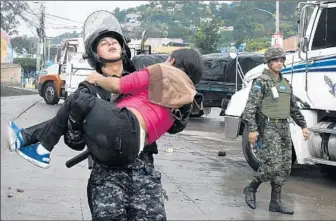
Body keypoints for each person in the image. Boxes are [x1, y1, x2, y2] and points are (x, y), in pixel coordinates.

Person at [8, 11, 204, 220]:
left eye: (114, 41)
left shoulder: (143, 71)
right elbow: (75, 141)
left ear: (123, 47)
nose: (110, 44)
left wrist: (181, 106)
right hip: (106, 177)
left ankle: (31, 139)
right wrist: (75, 122)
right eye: (103, 43)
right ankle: (31, 140)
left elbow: (175, 125)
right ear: (95, 55)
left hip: (144, 174)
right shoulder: (89, 90)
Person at [242, 47, 310, 215]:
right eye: (276, 61)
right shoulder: (261, 82)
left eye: (281, 60)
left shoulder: (285, 83)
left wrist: (303, 125)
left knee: (285, 166)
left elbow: (293, 108)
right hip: (270, 126)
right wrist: (252, 130)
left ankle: (275, 202)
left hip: (284, 127)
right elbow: (250, 109)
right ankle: (251, 188)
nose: (279, 63)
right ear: (269, 62)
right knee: (272, 165)